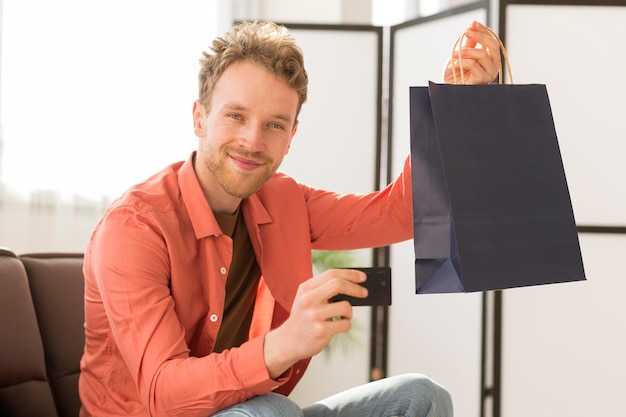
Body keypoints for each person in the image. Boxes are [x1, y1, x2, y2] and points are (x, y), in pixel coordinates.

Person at [78, 20, 501, 417]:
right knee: (272, 410)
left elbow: (400, 213)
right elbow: (161, 391)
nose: (252, 141)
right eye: (236, 116)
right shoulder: (134, 228)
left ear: (292, 136)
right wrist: (284, 344)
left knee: (421, 397)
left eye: (274, 125)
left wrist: (454, 103)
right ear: (199, 117)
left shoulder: (282, 199)